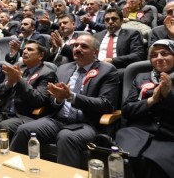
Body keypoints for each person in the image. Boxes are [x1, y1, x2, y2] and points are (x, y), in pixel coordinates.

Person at [10, 34, 119, 169]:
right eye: (75, 45)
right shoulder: (64, 68)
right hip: (57, 119)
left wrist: (72, 97)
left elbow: (106, 104)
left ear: (95, 52)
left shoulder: (107, 70)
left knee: (66, 137)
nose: (77, 49)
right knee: (24, 130)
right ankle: (14, 170)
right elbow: (50, 100)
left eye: (83, 46)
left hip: (86, 123)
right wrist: (58, 99)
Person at [0, 40, 57, 142]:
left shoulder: (47, 74)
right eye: (24, 49)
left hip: (24, 116)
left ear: (41, 55)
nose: (24, 51)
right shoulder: (19, 67)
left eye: (30, 49)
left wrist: (19, 80)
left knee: (4, 126)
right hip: (4, 112)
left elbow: (38, 100)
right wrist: (9, 83)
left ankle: (3, 156)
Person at [115, 39, 174, 178]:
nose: (159, 58)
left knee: (154, 163)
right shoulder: (141, 77)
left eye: (164, 53)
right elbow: (127, 110)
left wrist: (168, 95)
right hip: (136, 131)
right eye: (154, 55)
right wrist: (151, 100)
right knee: (124, 159)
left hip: (169, 135)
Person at [94, 8, 145, 78]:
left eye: (114, 19)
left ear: (121, 21)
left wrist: (113, 60)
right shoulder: (97, 36)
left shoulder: (132, 34)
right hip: (96, 70)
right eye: (107, 20)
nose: (110, 22)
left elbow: (138, 55)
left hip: (119, 70)